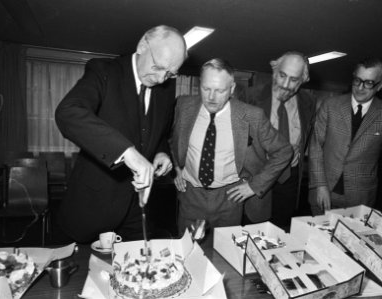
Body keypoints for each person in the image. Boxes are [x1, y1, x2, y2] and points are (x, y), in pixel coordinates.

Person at [55, 25, 187, 243]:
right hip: (93, 205)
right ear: (143, 45)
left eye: (171, 73)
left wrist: (161, 153)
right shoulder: (104, 71)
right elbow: (69, 112)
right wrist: (127, 152)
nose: (162, 79)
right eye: (158, 67)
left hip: (138, 207)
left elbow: (158, 131)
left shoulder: (165, 88)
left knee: (140, 267)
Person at [171, 58, 292, 235]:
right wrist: (177, 167)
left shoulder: (252, 116)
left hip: (229, 198)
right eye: (206, 89)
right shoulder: (183, 106)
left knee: (224, 253)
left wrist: (254, 186)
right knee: (188, 252)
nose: (211, 97)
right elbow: (171, 138)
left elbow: (283, 151)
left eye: (220, 91)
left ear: (232, 89)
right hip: (191, 196)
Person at [309, 58, 382, 220]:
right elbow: (315, 147)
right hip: (323, 192)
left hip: (359, 200)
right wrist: (320, 185)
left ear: (380, 85)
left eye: (369, 83)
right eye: (357, 81)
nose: (361, 88)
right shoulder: (331, 105)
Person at [253, 51, 316, 229]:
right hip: (258, 176)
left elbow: (305, 138)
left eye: (294, 80)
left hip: (289, 178)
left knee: (281, 232)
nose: (286, 85)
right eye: (282, 75)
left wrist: (296, 150)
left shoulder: (309, 102)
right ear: (275, 70)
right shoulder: (251, 97)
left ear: (303, 79)